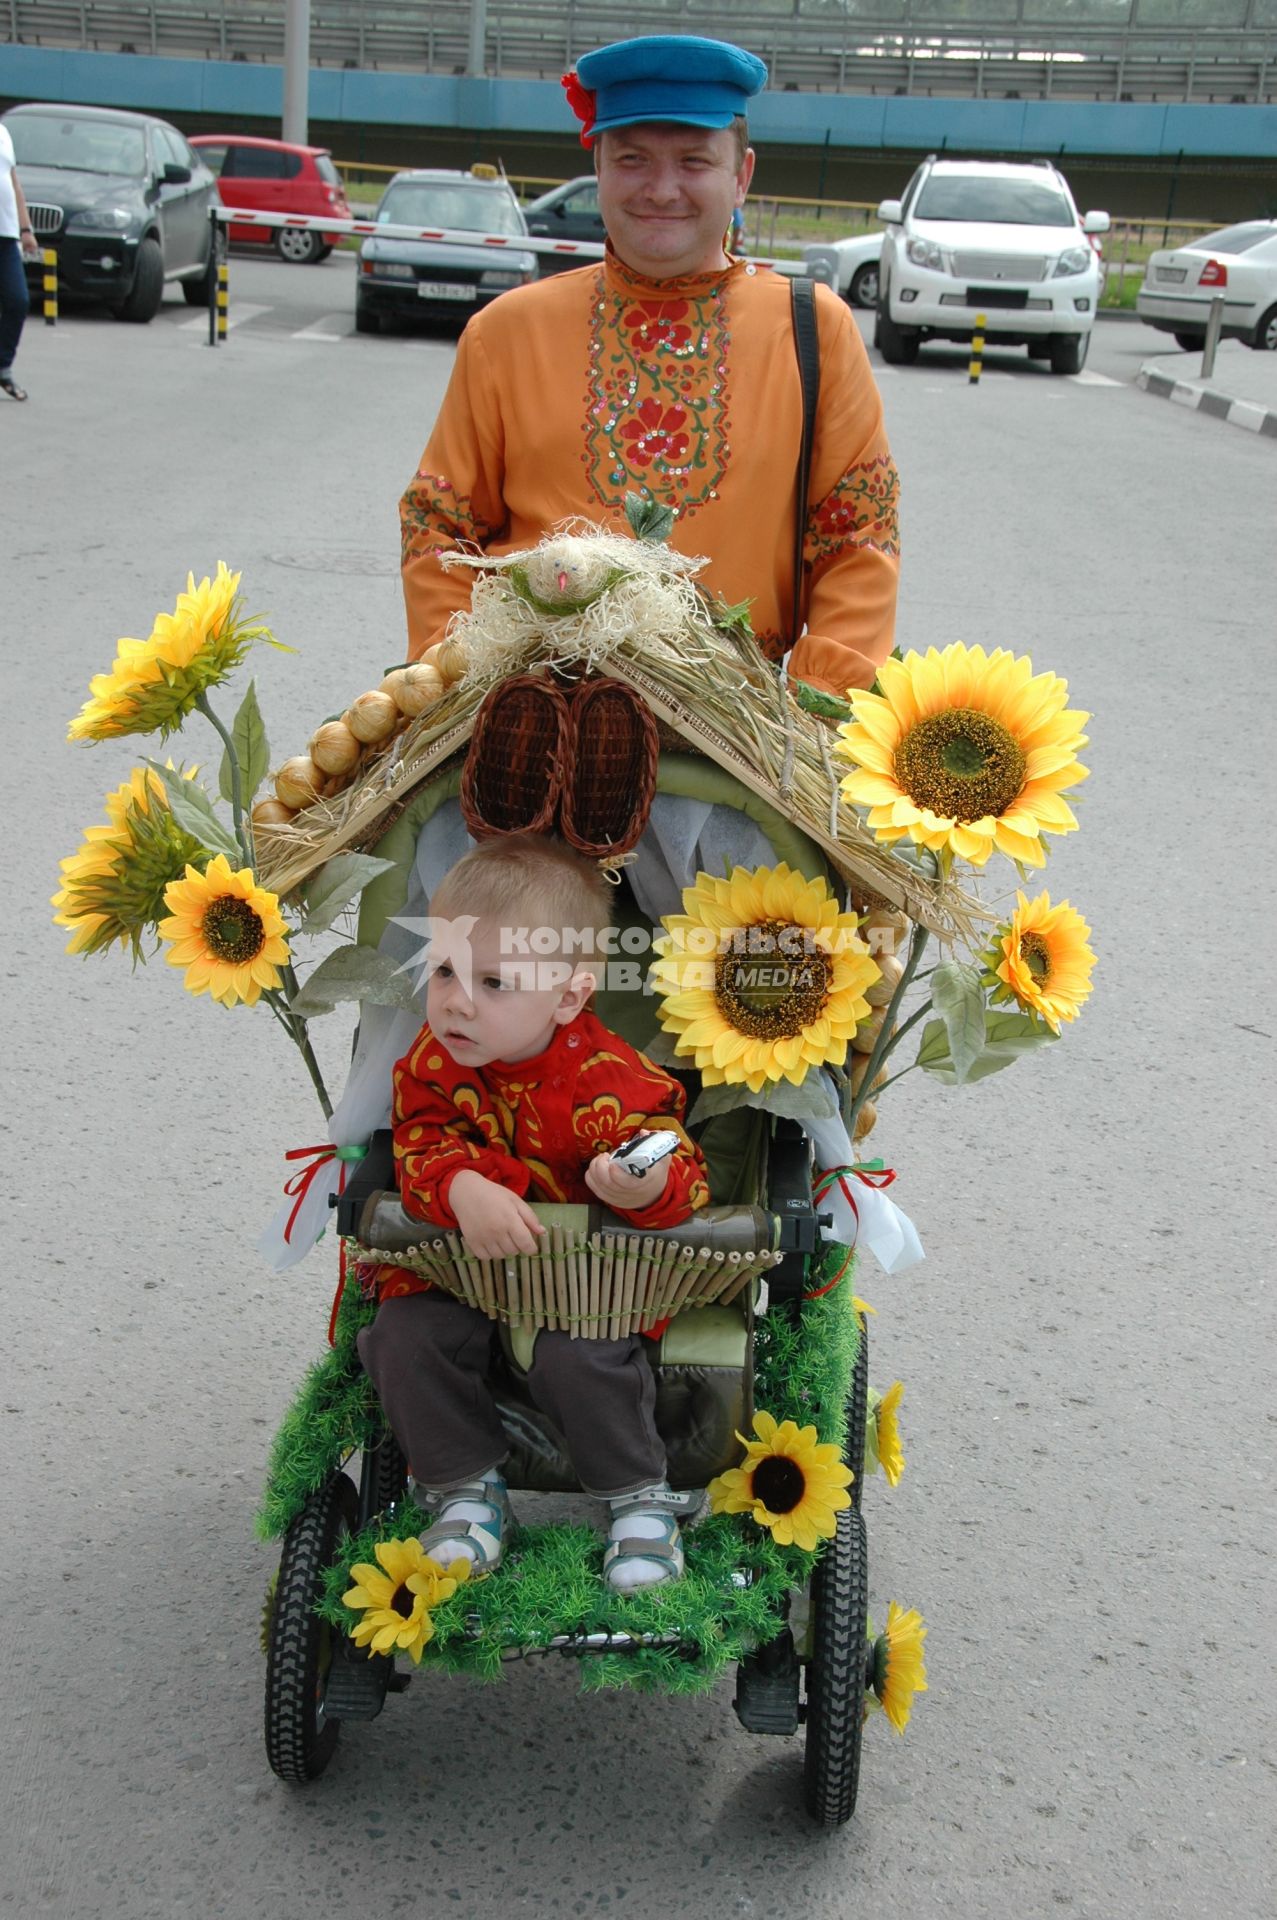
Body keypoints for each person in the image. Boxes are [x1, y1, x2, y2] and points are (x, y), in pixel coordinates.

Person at [400, 33, 899, 702]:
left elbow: (856, 537)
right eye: (633, 159)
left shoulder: (813, 331)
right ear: (598, 167)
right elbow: (438, 522)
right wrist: (460, 689)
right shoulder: (505, 333)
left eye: (694, 161)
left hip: (738, 749)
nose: (661, 190)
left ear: (741, 175)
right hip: (524, 728)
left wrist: (813, 713)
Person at [357, 833, 711, 1592]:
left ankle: (637, 1496)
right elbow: (418, 1141)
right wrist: (458, 1188)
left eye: (493, 983)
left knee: (580, 1357)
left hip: (581, 1283)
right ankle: (464, 1488)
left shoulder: (608, 1074)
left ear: (568, 996)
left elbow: (671, 1147)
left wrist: (636, 1180)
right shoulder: (432, 1060)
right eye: (444, 970)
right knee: (405, 1335)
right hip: (464, 1269)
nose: (456, 1000)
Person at [0, 122, 40, 402]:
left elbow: (14, 183)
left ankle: (2, 365)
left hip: (7, 235)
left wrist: (25, 230)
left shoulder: (3, 133)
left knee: (18, 300)